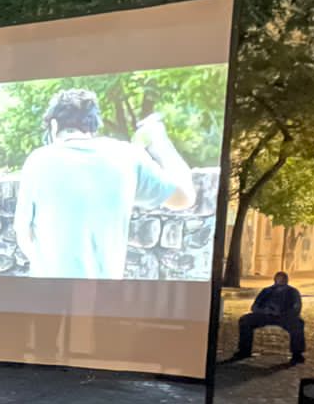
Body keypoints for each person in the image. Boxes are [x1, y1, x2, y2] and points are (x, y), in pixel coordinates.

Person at [14, 88, 195, 280]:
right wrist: (160, 140)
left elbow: (24, 235)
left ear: (54, 125)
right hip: (104, 297)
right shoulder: (127, 156)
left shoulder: (38, 161)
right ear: (92, 127)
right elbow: (184, 198)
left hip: (49, 295)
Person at [225, 271, 306, 365]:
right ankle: (244, 350)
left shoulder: (292, 292)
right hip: (265, 315)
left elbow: (296, 308)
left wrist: (282, 313)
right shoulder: (267, 291)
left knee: (297, 324)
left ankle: (297, 354)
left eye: (282, 279)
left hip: (284, 316)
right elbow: (254, 307)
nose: (280, 281)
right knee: (245, 320)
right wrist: (265, 311)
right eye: (279, 279)